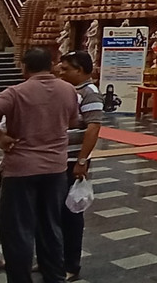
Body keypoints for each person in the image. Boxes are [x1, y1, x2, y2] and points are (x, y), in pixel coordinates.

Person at [0, 47, 80, 283]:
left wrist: (1, 137)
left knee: (18, 231)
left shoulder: (15, 92)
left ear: (25, 67)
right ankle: (54, 277)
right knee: (51, 226)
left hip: (20, 170)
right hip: (55, 169)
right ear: (52, 64)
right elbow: (73, 120)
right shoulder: (68, 90)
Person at [57, 51, 103, 281]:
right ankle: (53, 259)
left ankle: (70, 265)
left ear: (81, 70)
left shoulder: (89, 92)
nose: (60, 71)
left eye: (66, 68)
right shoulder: (67, 90)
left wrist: (82, 160)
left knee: (70, 214)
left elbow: (93, 127)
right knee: (52, 212)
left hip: (73, 161)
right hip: (56, 159)